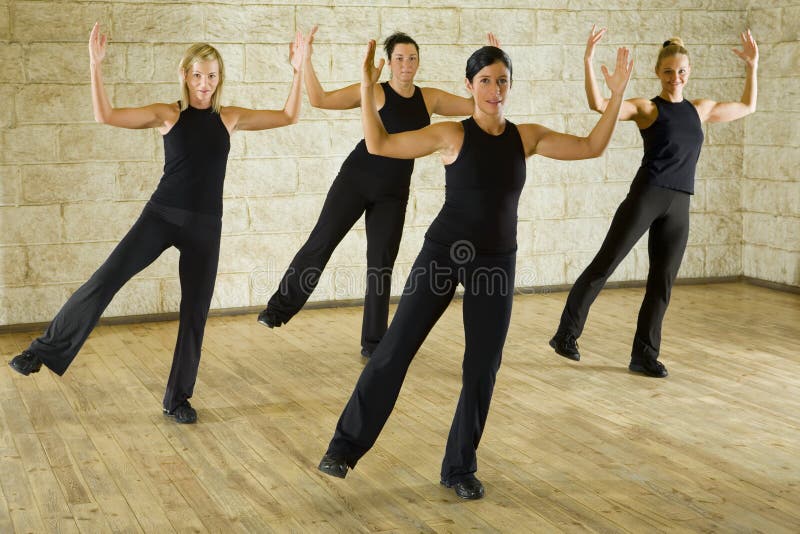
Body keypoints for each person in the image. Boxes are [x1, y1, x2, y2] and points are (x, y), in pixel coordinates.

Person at [317, 40, 633, 500]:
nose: (494, 89)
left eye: (501, 80)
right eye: (484, 81)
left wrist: (618, 94)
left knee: (482, 367)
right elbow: (378, 143)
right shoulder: (451, 134)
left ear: (510, 86)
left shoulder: (527, 137)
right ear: (470, 86)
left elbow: (590, 147)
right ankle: (344, 448)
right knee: (394, 348)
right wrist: (367, 87)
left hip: (496, 261)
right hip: (444, 252)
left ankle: (459, 467)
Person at [7, 23, 309, 424]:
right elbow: (106, 115)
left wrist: (298, 69)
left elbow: (289, 115)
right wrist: (94, 65)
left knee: (195, 313)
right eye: (198, 74)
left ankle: (177, 399)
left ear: (221, 78)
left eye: (212, 75)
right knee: (107, 278)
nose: (205, 83)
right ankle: (41, 351)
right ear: (185, 75)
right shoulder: (169, 114)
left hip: (205, 226)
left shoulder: (230, 118)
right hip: (161, 216)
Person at [257, 28, 501, 359]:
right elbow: (320, 99)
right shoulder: (373, 90)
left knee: (380, 265)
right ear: (388, 62)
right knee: (321, 241)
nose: (406, 64)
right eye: (399, 58)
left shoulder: (430, 97)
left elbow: (478, 104)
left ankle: (373, 342)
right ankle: (277, 310)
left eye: (412, 58)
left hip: (393, 193)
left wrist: (490, 69)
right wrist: (305, 63)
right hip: (355, 181)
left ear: (418, 63)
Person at [549, 26, 758, 378]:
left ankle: (644, 355)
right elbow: (599, 104)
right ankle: (565, 335)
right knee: (606, 262)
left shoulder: (700, 109)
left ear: (689, 73)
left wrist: (753, 66)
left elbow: (748, 106)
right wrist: (587, 61)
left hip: (680, 204)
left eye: (680, 71)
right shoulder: (648, 108)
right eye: (667, 72)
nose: (674, 78)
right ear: (657, 73)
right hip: (648, 195)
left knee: (662, 282)